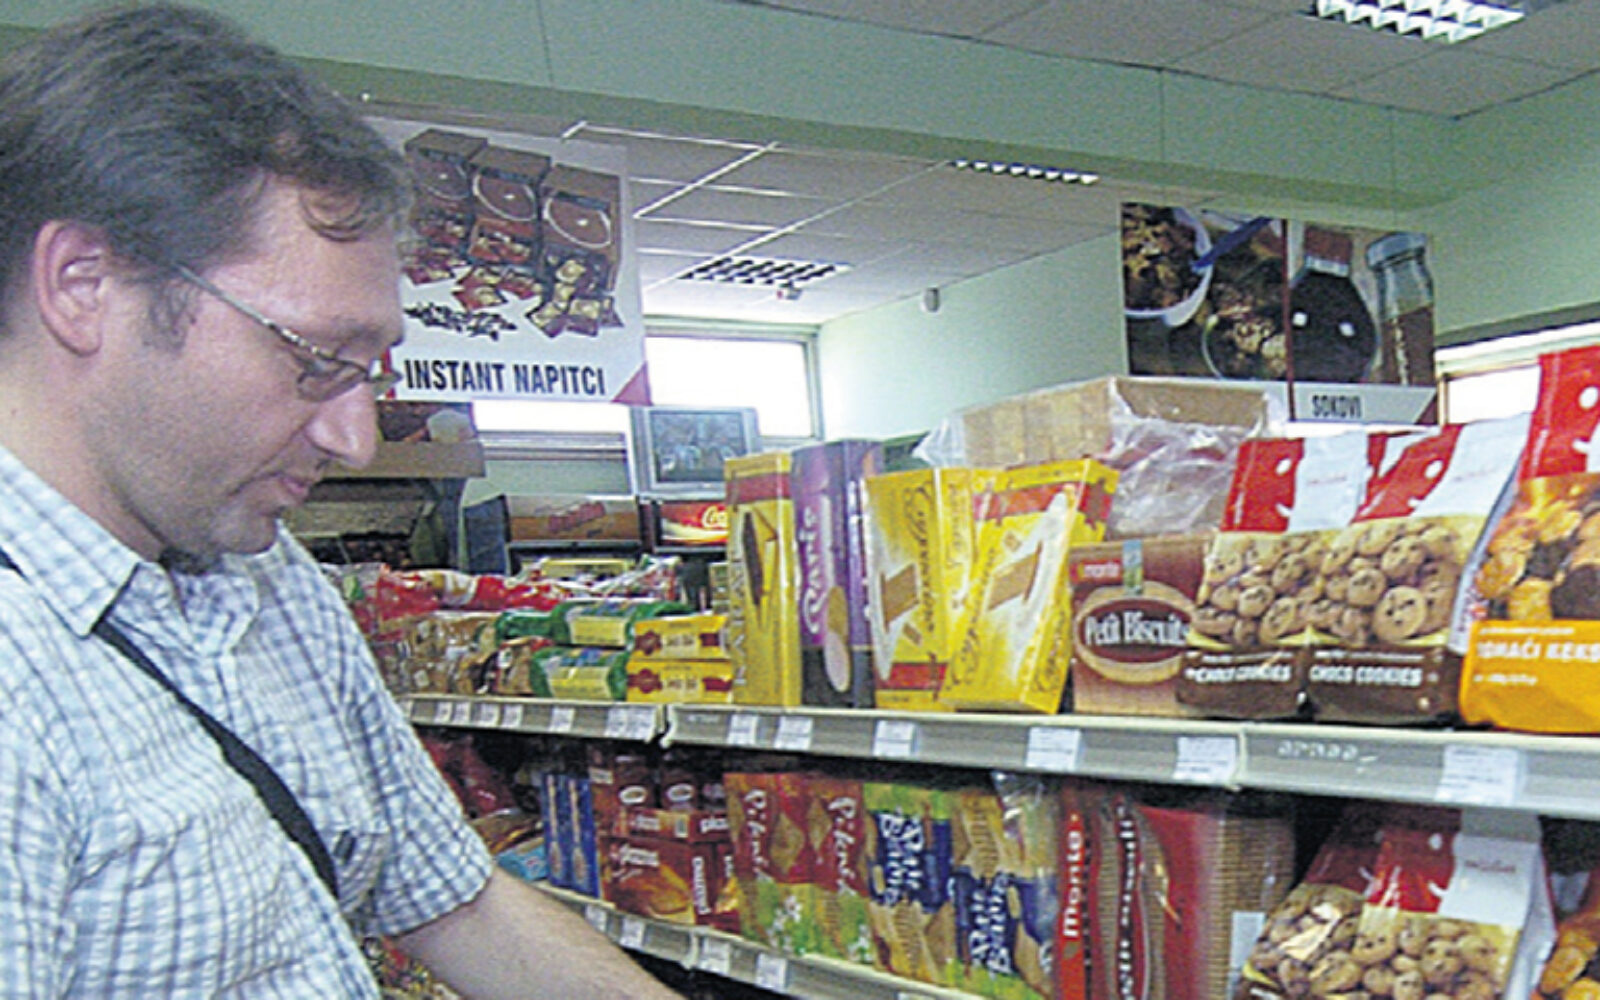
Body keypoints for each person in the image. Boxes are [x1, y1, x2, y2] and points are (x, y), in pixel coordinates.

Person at [0, 5, 685, 998]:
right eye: (316, 359)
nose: (353, 437)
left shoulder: (267, 577)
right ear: (82, 283)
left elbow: (454, 901)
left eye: (368, 370)